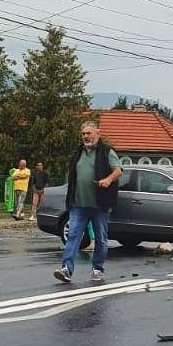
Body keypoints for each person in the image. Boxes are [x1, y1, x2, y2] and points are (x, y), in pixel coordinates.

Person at [54, 121, 122, 283]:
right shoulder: (78, 153)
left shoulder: (106, 152)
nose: (86, 136)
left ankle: (97, 269)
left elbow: (118, 171)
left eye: (89, 133)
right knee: (73, 236)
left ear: (97, 133)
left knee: (101, 238)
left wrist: (107, 180)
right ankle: (66, 270)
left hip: (99, 204)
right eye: (83, 134)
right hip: (78, 204)